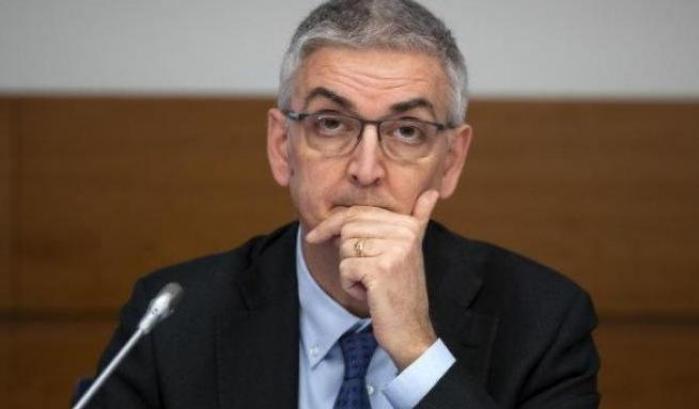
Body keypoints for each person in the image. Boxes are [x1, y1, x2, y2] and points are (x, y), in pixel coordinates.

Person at [87, 1, 600, 408]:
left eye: (407, 130)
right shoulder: (173, 320)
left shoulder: (543, 321)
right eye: (331, 123)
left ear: (451, 161)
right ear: (282, 147)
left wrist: (417, 350)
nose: (366, 168)